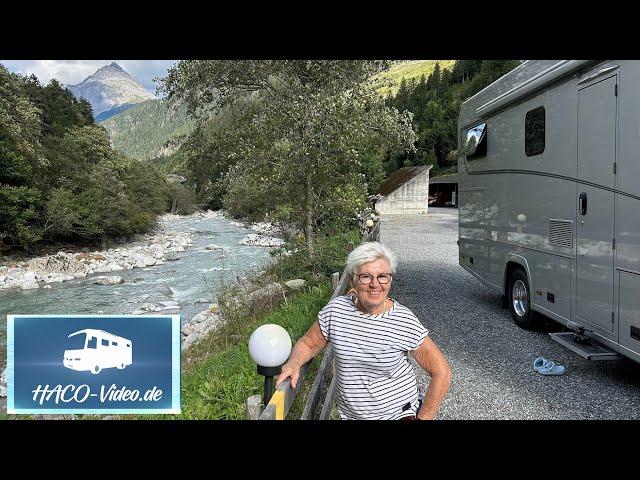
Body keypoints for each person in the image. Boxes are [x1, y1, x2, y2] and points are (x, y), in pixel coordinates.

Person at [276, 241, 452, 420]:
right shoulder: (336, 311)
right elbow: (308, 343)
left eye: (383, 276)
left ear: (390, 280)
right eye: (366, 277)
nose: (375, 284)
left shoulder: (403, 320)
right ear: (353, 279)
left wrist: (425, 416)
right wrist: (294, 362)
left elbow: (441, 372)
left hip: (400, 415)